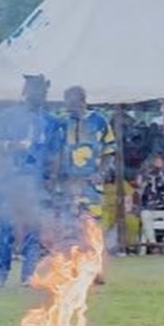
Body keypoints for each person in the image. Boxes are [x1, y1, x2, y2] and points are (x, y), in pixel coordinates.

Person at [0, 74, 63, 289]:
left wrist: (52, 179)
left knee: (33, 228)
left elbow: (55, 154)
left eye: (42, 91)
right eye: (34, 90)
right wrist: (12, 147)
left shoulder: (51, 121)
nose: (38, 95)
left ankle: (28, 275)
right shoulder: (8, 117)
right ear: (25, 92)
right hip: (10, 179)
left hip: (35, 182)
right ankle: (0, 275)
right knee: (6, 227)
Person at [58, 85, 115, 279]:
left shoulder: (99, 121)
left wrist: (101, 172)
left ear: (81, 100)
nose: (66, 105)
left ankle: (95, 269)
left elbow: (110, 150)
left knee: (92, 226)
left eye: (70, 100)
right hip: (69, 184)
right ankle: (73, 268)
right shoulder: (62, 123)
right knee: (70, 226)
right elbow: (55, 153)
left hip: (92, 185)